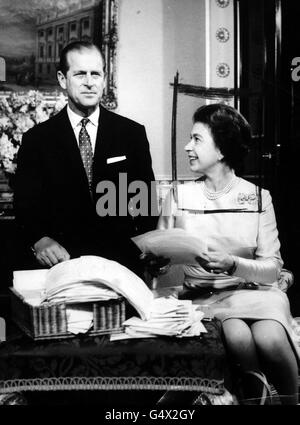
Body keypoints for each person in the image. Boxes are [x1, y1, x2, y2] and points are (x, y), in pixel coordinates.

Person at [157, 103, 299, 405]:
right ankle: (255, 399)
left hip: (257, 291)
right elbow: (165, 268)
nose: (187, 146)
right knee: (237, 336)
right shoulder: (179, 196)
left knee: (271, 338)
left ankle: (292, 399)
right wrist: (157, 265)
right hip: (204, 296)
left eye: (196, 139)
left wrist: (233, 263)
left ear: (221, 149)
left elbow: (273, 269)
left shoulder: (259, 198)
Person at [13, 41, 158, 277]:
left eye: (96, 74)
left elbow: (145, 205)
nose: (89, 82)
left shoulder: (131, 134)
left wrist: (146, 250)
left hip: (121, 266)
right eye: (80, 74)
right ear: (62, 79)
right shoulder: (37, 140)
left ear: (104, 78)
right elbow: (25, 207)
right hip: (62, 267)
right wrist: (39, 240)